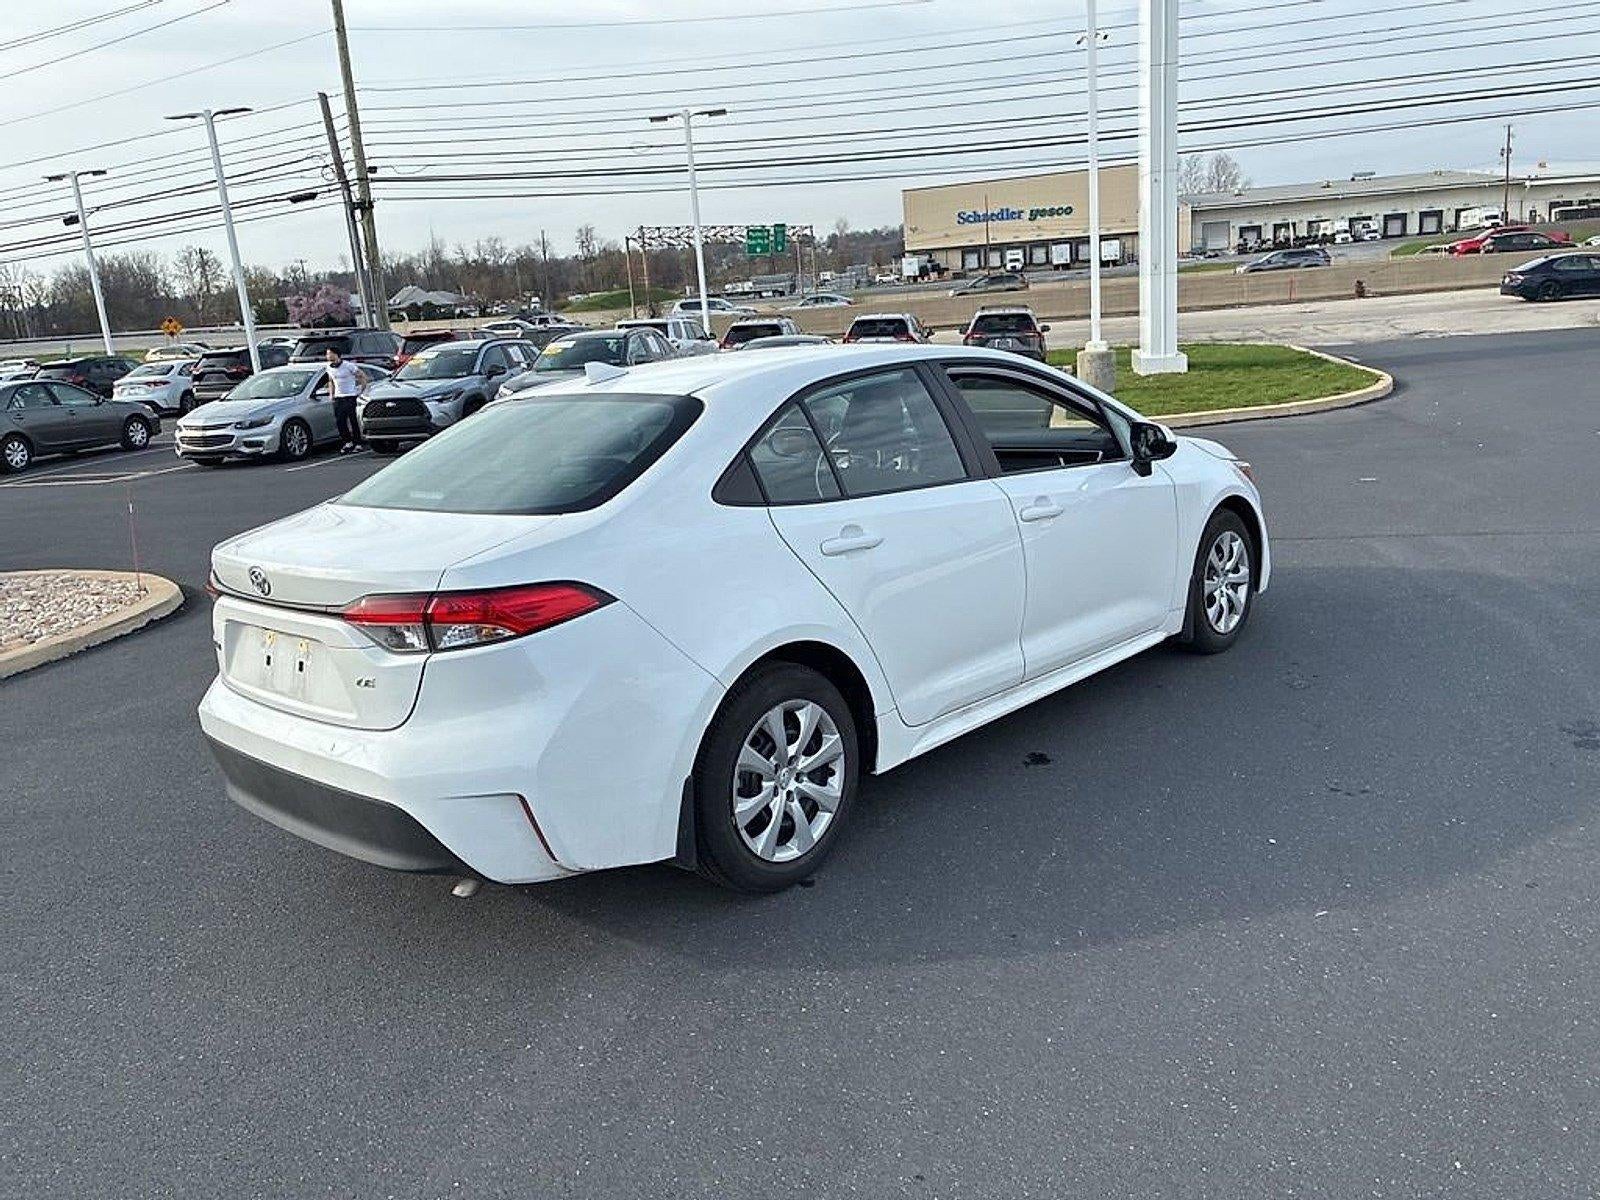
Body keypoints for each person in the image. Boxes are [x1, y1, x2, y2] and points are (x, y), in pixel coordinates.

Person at [325, 348, 367, 454]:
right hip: (339, 397)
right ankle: (347, 442)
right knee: (340, 421)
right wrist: (331, 394)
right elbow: (331, 381)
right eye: (327, 354)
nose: (328, 356)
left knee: (353, 420)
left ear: (336, 354)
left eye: (330, 354)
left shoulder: (348, 366)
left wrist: (362, 389)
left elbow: (361, 375)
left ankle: (358, 443)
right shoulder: (329, 367)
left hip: (350, 396)